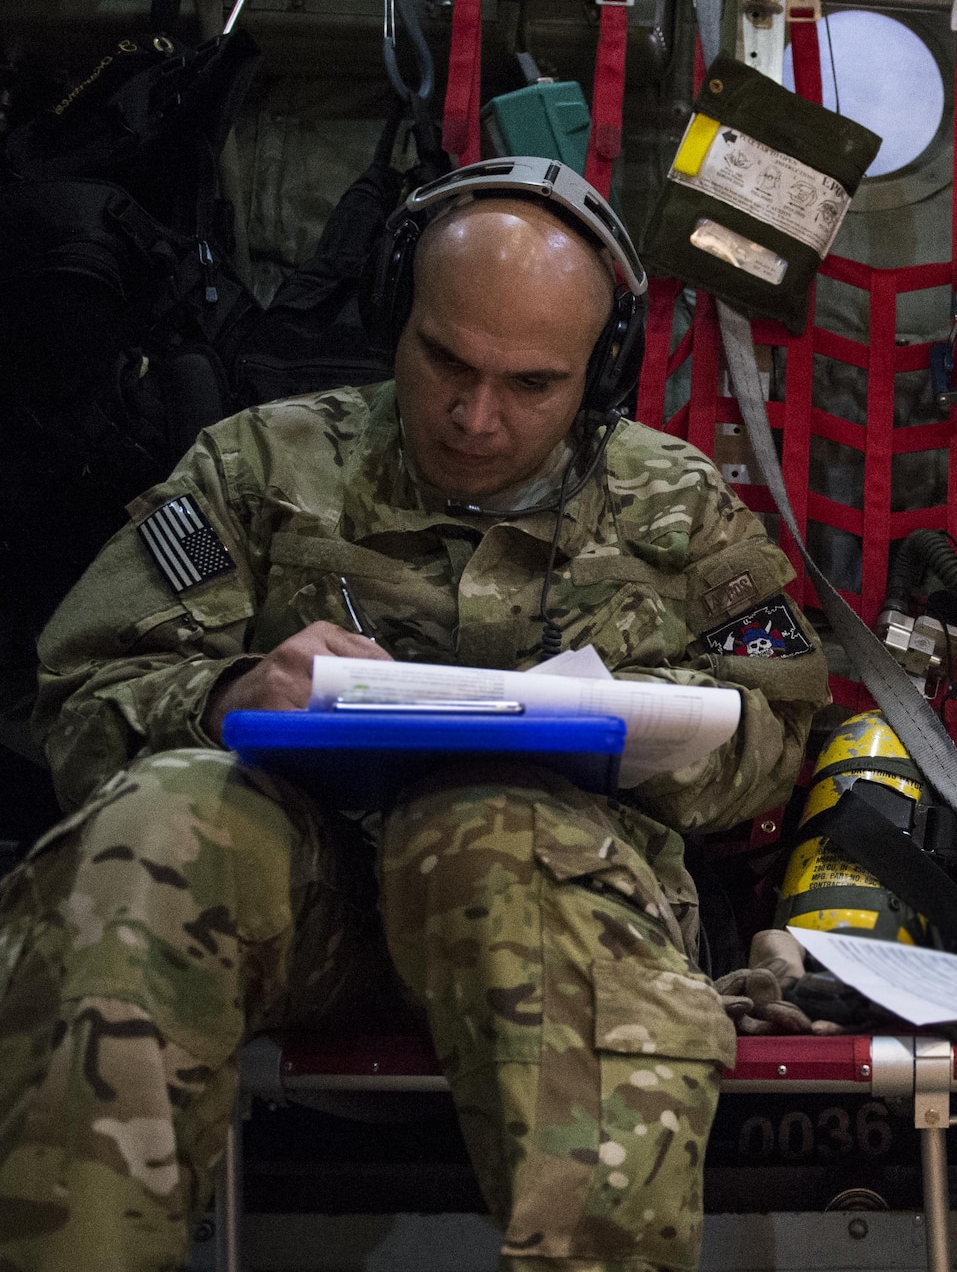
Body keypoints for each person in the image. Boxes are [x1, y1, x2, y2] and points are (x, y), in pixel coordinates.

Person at [0, 158, 830, 1272]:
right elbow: (80, 696)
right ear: (397, 311)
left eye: (532, 383)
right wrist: (225, 692)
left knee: (489, 826)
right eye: (445, 359)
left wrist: (643, 730)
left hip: (557, 904)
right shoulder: (257, 465)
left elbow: (777, 724)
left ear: (601, 367)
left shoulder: (676, 508)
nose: (475, 416)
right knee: (154, 823)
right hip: (301, 906)